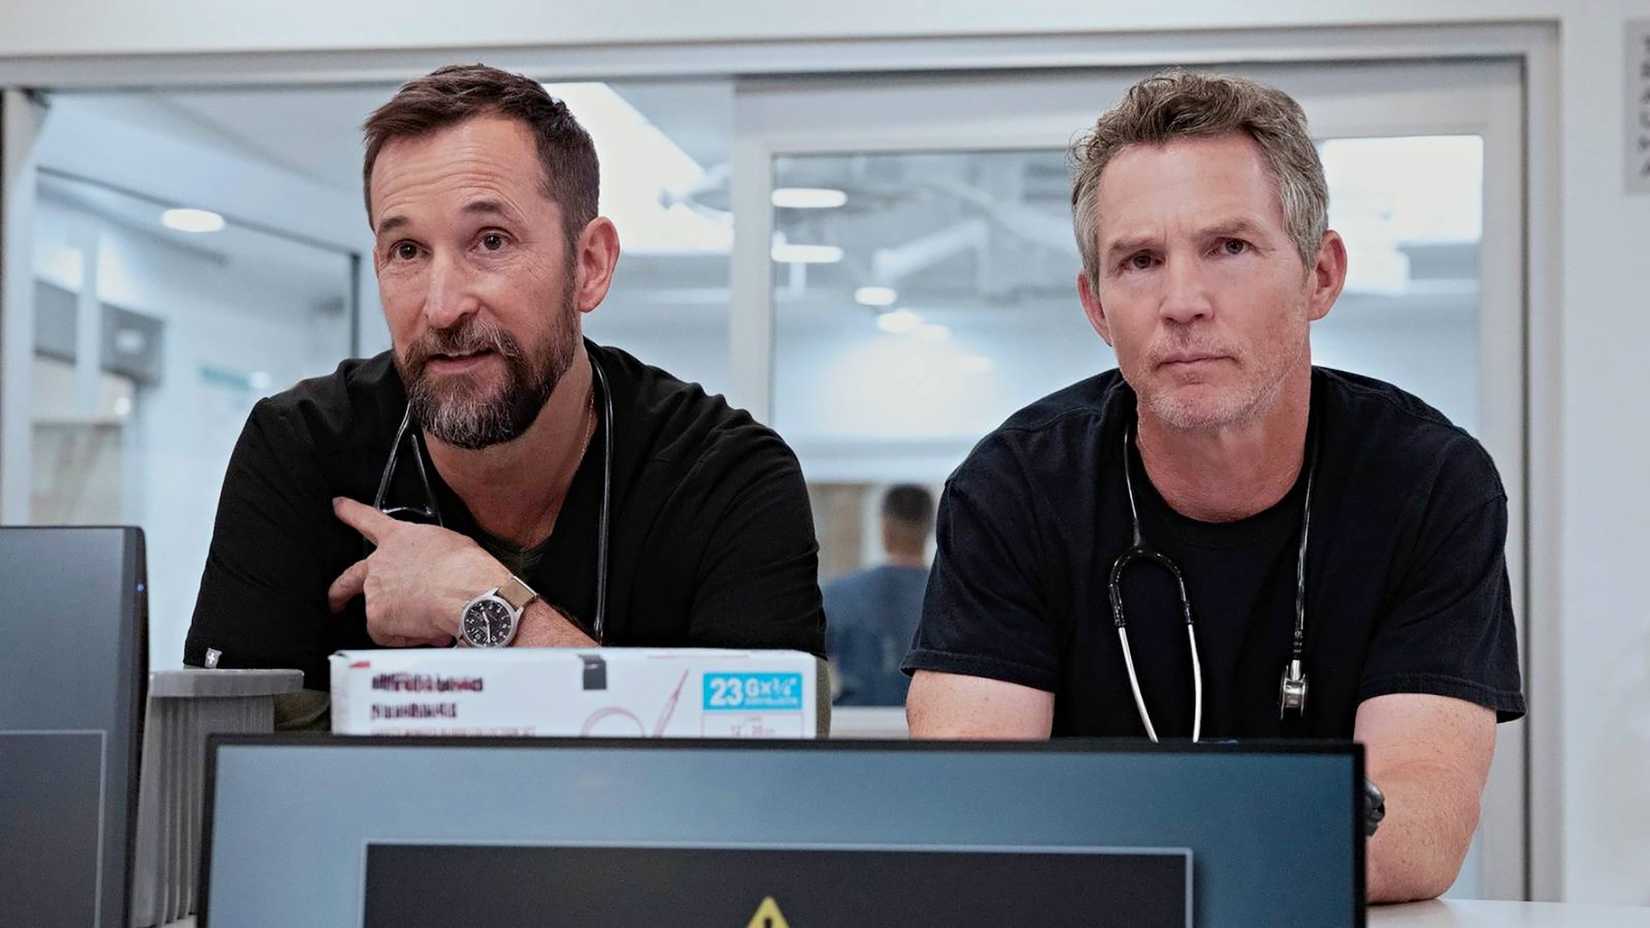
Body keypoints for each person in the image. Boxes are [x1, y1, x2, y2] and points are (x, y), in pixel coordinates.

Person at [902, 71, 1524, 903]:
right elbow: (969, 816)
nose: (1182, 302)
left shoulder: (1428, 484)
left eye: (1229, 247)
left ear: (1320, 276)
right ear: (1096, 305)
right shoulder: (1014, 489)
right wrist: (1268, 831)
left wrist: (1121, 838)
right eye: (1140, 261)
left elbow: (1417, 830)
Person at [183, 64, 824, 728]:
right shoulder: (301, 449)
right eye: (406, 250)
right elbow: (225, 770)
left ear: (590, 266)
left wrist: (483, 601)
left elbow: (750, 784)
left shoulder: (723, 477)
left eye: (490, 241)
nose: (442, 307)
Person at [823, 484, 934, 705]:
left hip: (857, 726)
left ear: (885, 529)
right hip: (928, 727)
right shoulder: (949, 599)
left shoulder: (840, 594)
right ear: (930, 527)